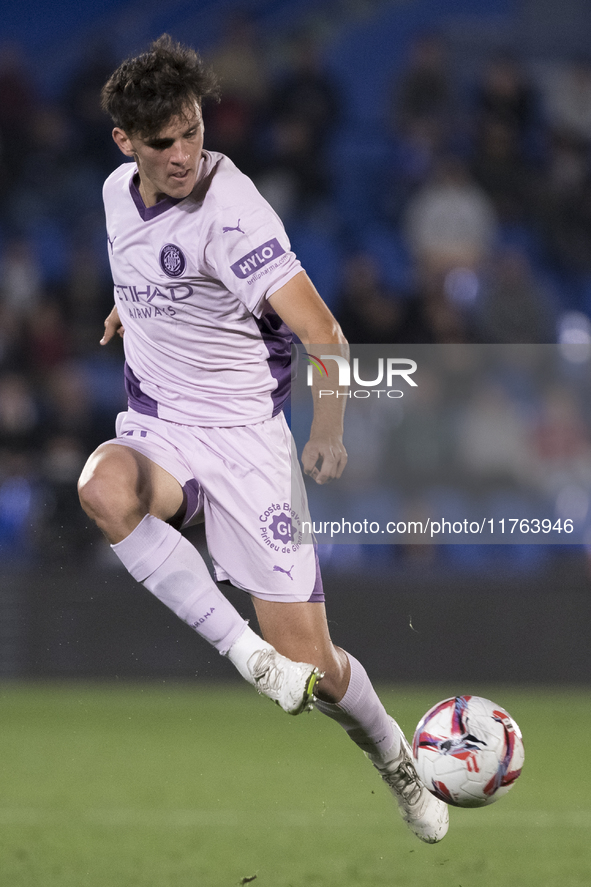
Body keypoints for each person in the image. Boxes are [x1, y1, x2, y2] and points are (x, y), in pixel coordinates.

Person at [77, 35, 448, 845]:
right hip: (162, 429)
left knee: (315, 670)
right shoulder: (114, 193)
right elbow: (143, 267)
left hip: (248, 445)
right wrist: (128, 308)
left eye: (192, 132)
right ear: (125, 143)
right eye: (162, 142)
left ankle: (392, 751)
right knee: (103, 488)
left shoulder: (234, 210)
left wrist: (330, 432)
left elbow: (324, 332)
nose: (182, 154)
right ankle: (248, 657)